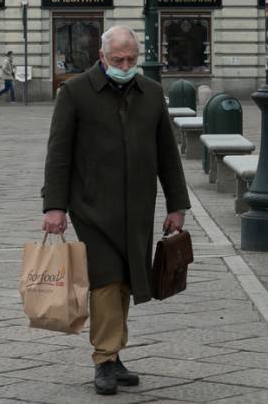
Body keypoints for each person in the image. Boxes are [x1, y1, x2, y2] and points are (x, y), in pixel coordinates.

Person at [41, 25, 189, 396]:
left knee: (126, 277)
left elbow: (168, 155)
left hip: (138, 205)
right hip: (92, 206)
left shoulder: (151, 93)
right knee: (106, 278)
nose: (126, 65)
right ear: (102, 57)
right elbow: (58, 153)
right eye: (118, 59)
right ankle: (104, 358)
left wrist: (178, 204)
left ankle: (115, 352)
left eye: (131, 59)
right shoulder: (75, 92)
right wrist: (55, 206)